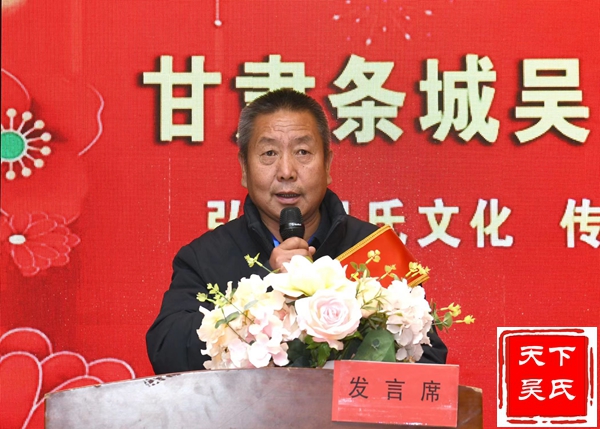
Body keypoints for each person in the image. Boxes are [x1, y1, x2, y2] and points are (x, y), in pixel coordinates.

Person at [146, 89, 447, 374]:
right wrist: (269, 295)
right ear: (244, 168)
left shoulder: (374, 249)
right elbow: (166, 351)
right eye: (269, 153)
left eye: (303, 151)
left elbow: (430, 359)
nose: (287, 171)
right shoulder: (205, 257)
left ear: (328, 165)